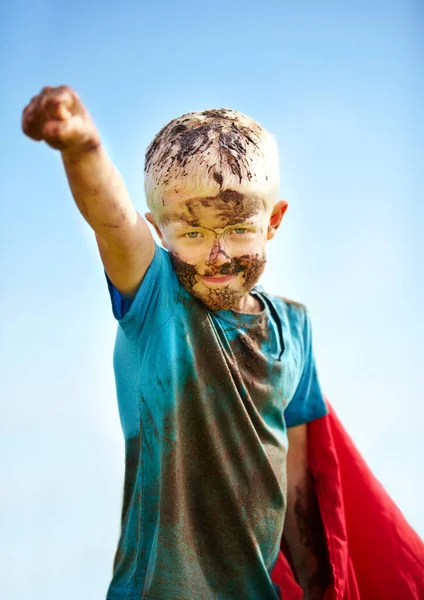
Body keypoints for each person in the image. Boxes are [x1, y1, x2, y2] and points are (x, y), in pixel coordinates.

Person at [22, 86, 332, 599]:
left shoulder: (294, 329)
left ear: (273, 221)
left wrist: (322, 590)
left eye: (236, 229)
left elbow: (299, 479)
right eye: (190, 233)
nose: (216, 255)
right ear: (159, 232)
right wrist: (82, 147)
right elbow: (111, 218)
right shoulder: (156, 297)